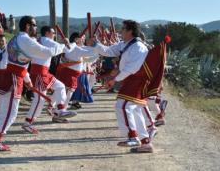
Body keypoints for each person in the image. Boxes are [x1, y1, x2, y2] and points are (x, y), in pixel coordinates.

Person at [0, 16, 68, 151]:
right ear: (27, 26)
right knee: (11, 112)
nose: (36, 28)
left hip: (12, 75)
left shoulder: (16, 38)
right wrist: (63, 46)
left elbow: (20, 63)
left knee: (4, 110)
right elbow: (47, 52)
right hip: (14, 78)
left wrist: (28, 80)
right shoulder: (25, 40)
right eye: (34, 25)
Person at [88, 20, 153, 153]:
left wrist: (114, 79)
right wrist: (95, 44)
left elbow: (132, 68)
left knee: (122, 106)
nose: (120, 31)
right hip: (130, 81)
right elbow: (108, 51)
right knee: (134, 110)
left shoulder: (138, 47)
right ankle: (145, 143)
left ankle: (133, 137)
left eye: (123, 29)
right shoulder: (124, 44)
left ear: (130, 31)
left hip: (136, 81)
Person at [23, 26, 77, 135]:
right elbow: (67, 49)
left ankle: (59, 110)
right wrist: (71, 42)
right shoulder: (47, 40)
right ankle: (28, 123)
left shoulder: (38, 40)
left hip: (43, 72)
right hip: (39, 72)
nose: (54, 35)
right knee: (39, 100)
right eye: (53, 33)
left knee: (60, 86)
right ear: (47, 33)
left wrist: (67, 44)